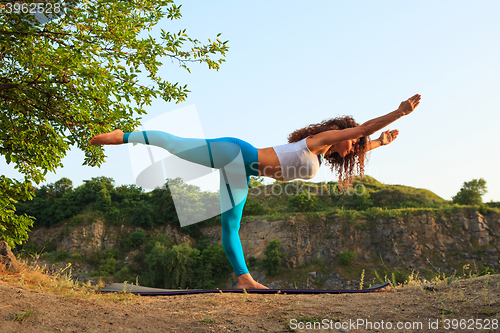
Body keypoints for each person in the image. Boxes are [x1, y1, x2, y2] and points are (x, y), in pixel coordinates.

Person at [90, 94, 421, 289]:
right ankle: (125, 135)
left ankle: (243, 279)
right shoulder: (316, 141)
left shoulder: (321, 156)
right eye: (354, 141)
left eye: (356, 146)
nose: (355, 145)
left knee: (229, 226)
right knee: (175, 145)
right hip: (238, 154)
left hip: (242, 172)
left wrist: (377, 144)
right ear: (339, 132)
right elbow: (361, 129)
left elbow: (360, 141)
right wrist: (399, 113)